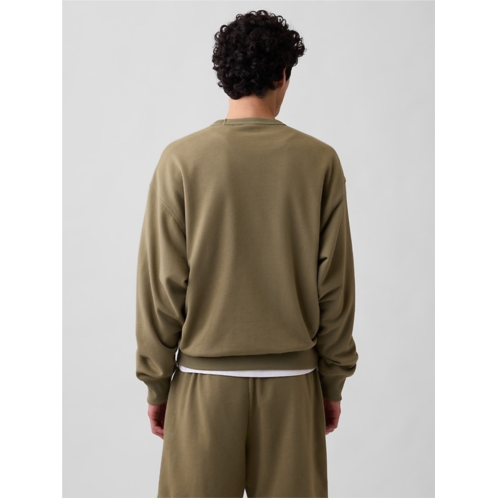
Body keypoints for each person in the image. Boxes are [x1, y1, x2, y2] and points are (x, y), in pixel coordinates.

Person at [135, 9, 358, 498]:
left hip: (203, 386)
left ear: (225, 75)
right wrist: (332, 380)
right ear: (283, 74)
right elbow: (335, 286)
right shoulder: (319, 161)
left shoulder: (181, 161)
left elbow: (161, 287)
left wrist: (156, 383)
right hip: (293, 386)